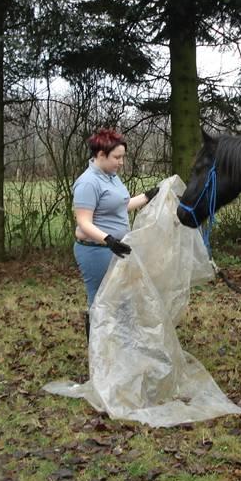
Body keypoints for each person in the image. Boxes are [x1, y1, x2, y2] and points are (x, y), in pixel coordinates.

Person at [72, 128, 159, 341]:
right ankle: (98, 349)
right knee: (101, 300)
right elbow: (83, 222)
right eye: (117, 157)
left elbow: (120, 206)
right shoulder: (88, 182)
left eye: (122, 157)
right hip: (96, 250)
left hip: (115, 248)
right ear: (100, 155)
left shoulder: (111, 177)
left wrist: (147, 197)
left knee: (121, 299)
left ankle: (118, 346)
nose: (121, 162)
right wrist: (108, 240)